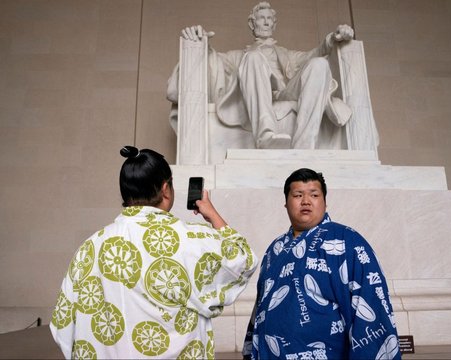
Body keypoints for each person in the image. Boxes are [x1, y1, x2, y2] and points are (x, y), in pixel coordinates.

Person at [50, 146, 258, 359]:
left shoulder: (89, 248)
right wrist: (213, 215)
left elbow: (62, 326)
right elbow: (242, 258)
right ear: (166, 189)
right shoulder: (190, 240)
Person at [242, 168, 401, 359]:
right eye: (298, 195)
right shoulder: (274, 249)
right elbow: (260, 310)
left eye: (314, 195)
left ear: (325, 202)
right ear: (286, 203)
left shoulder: (347, 241)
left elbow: (370, 304)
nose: (306, 201)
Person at [167, 1, 354, 150]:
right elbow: (213, 60)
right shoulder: (239, 56)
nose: (265, 22)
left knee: (319, 64)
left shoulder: (287, 54)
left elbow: (314, 54)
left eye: (269, 19)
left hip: (285, 93)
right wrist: (201, 43)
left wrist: (332, 39)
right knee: (254, 57)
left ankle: (304, 146)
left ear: (274, 23)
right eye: (261, 18)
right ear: (252, 23)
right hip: (255, 98)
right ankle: (266, 134)